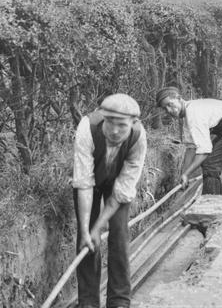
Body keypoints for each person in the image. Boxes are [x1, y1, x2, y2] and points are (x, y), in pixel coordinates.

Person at [72, 93, 147, 308]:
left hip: (119, 184)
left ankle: (119, 300)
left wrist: (99, 226)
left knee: (119, 234)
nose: (115, 131)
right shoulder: (87, 128)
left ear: (133, 123)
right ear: (103, 117)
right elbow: (84, 184)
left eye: (121, 125)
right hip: (90, 182)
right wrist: (88, 230)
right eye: (110, 123)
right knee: (85, 241)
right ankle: (88, 302)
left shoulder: (138, 137)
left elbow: (121, 192)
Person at [156, 86, 222, 195]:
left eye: (170, 104)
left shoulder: (193, 113)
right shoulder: (186, 115)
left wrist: (187, 174)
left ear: (179, 98)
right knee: (209, 163)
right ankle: (215, 199)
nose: (169, 110)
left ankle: (211, 203)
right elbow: (191, 148)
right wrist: (183, 174)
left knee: (210, 164)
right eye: (165, 108)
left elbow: (204, 151)